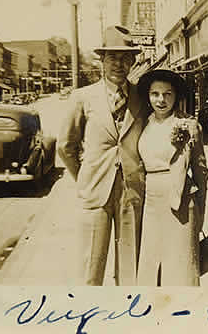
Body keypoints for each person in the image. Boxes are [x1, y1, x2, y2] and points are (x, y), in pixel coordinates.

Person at [57, 25, 148, 286]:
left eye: (125, 58)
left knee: (130, 267)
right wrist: (84, 176)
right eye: (113, 58)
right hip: (95, 190)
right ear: (103, 61)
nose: (119, 64)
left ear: (133, 61)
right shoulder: (82, 98)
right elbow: (66, 146)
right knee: (90, 268)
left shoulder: (141, 97)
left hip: (132, 190)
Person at [135, 68, 208, 286]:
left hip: (182, 200)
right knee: (151, 261)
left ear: (176, 96)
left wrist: (201, 210)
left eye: (168, 94)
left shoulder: (188, 125)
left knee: (181, 263)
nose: (161, 100)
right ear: (148, 96)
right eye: (155, 93)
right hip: (149, 200)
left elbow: (201, 171)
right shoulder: (142, 124)